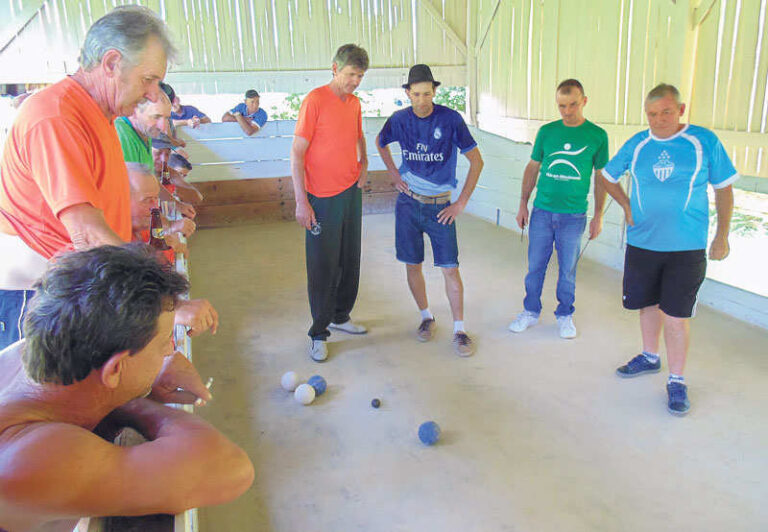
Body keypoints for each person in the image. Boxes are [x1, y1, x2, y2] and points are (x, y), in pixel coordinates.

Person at [0, 244, 253, 532]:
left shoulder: (28, 356)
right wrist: (133, 399)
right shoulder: (34, 458)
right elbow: (228, 469)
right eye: (165, 344)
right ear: (115, 369)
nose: (169, 353)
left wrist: (131, 382)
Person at [0, 5, 174, 351]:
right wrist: (163, 302)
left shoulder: (100, 116)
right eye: (148, 79)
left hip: (75, 286)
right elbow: (87, 234)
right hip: (40, 298)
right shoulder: (57, 116)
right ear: (111, 63)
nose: (154, 93)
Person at [601, 83, 737, 416]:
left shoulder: (702, 141)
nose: (658, 120)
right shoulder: (638, 144)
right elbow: (606, 175)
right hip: (642, 243)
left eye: (666, 112)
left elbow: (723, 189)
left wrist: (722, 235)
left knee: (675, 316)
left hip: (685, 248)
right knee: (647, 305)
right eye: (651, 114)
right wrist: (625, 205)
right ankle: (650, 356)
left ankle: (677, 380)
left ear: (680, 110)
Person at [376, 64, 484, 357]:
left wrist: (460, 203)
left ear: (435, 91)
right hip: (408, 205)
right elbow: (380, 142)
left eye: (427, 93)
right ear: (408, 94)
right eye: (416, 94)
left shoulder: (450, 120)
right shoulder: (399, 119)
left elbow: (477, 161)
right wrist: (394, 174)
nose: (422, 100)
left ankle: (460, 330)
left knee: (450, 268)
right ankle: (426, 317)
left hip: (440, 207)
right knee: (412, 265)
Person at [508, 79, 609, 339]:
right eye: (562, 106)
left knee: (567, 271)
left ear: (584, 101)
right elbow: (532, 168)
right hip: (542, 211)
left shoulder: (597, 136)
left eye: (573, 104)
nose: (567, 111)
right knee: (535, 267)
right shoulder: (547, 132)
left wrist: (598, 215)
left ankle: (565, 314)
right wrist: (523, 203)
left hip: (574, 216)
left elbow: (601, 178)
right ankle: (530, 311)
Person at [290, 44, 369, 362]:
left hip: (350, 191)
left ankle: (341, 316)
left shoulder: (355, 103)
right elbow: (297, 154)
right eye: (351, 74)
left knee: (350, 259)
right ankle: (319, 332)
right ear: (335, 69)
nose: (355, 81)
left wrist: (364, 164)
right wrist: (301, 202)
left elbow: (359, 136)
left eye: (360, 76)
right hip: (321, 197)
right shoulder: (315, 100)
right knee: (323, 265)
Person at [127, 163, 218, 337]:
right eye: (147, 200)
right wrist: (171, 313)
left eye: (156, 199)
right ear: (120, 200)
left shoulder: (144, 228)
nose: (155, 207)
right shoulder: (103, 244)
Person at [114, 91, 197, 219]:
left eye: (166, 118)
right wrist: (168, 226)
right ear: (134, 112)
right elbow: (133, 191)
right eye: (156, 117)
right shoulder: (122, 134)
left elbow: (149, 179)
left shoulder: (145, 132)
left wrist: (177, 205)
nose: (163, 126)